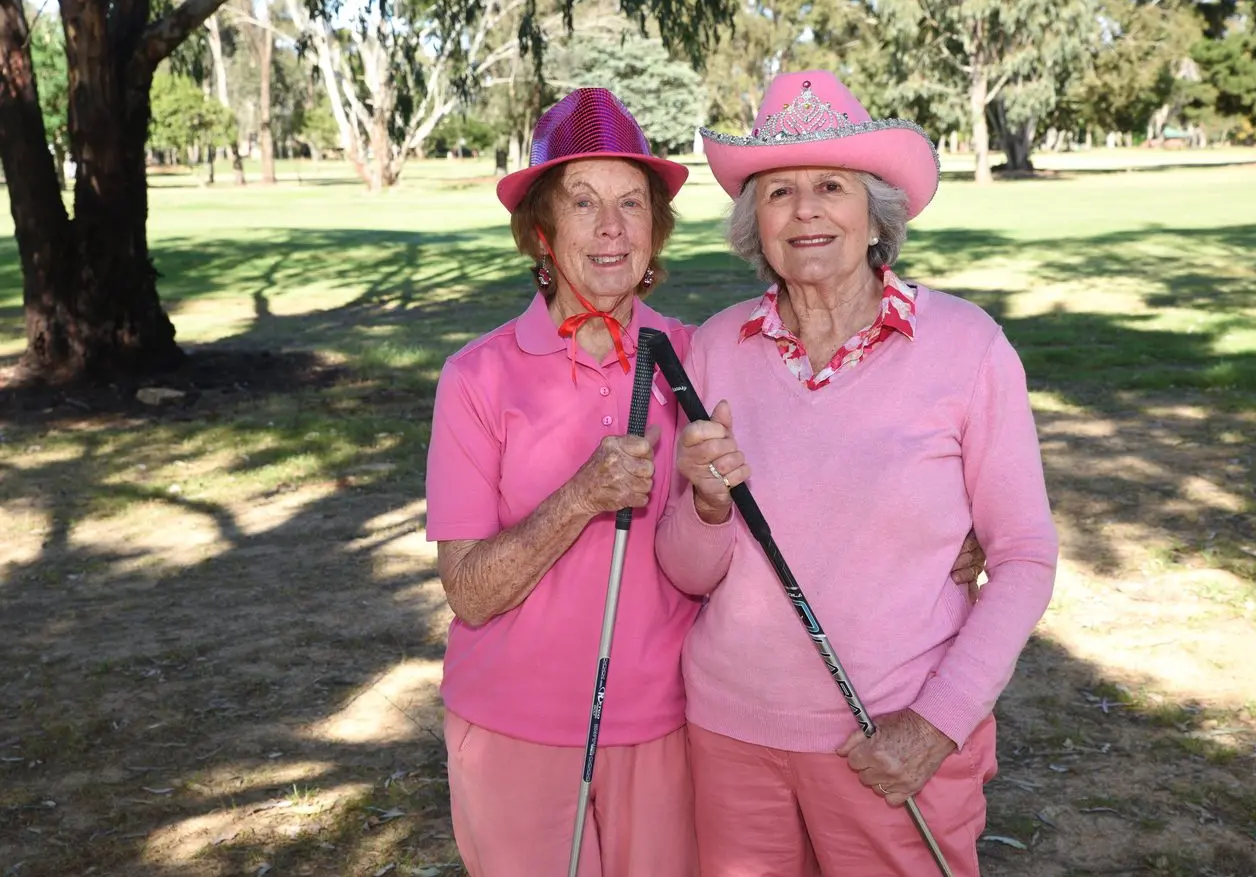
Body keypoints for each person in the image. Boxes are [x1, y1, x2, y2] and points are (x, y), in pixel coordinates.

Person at [655, 70, 1059, 877]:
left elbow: (1023, 558)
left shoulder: (967, 346)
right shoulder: (712, 348)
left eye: (831, 186)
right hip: (731, 736)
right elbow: (687, 573)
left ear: (874, 214)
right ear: (753, 223)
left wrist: (936, 724)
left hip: (893, 738)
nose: (805, 210)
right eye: (778, 192)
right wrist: (704, 503)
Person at [425, 87, 699, 877]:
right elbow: (469, 591)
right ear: (540, 232)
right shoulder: (476, 376)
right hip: (515, 729)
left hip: (667, 724)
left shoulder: (695, 355)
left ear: (655, 229)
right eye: (583, 202)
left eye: (632, 203)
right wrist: (581, 496)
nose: (612, 228)